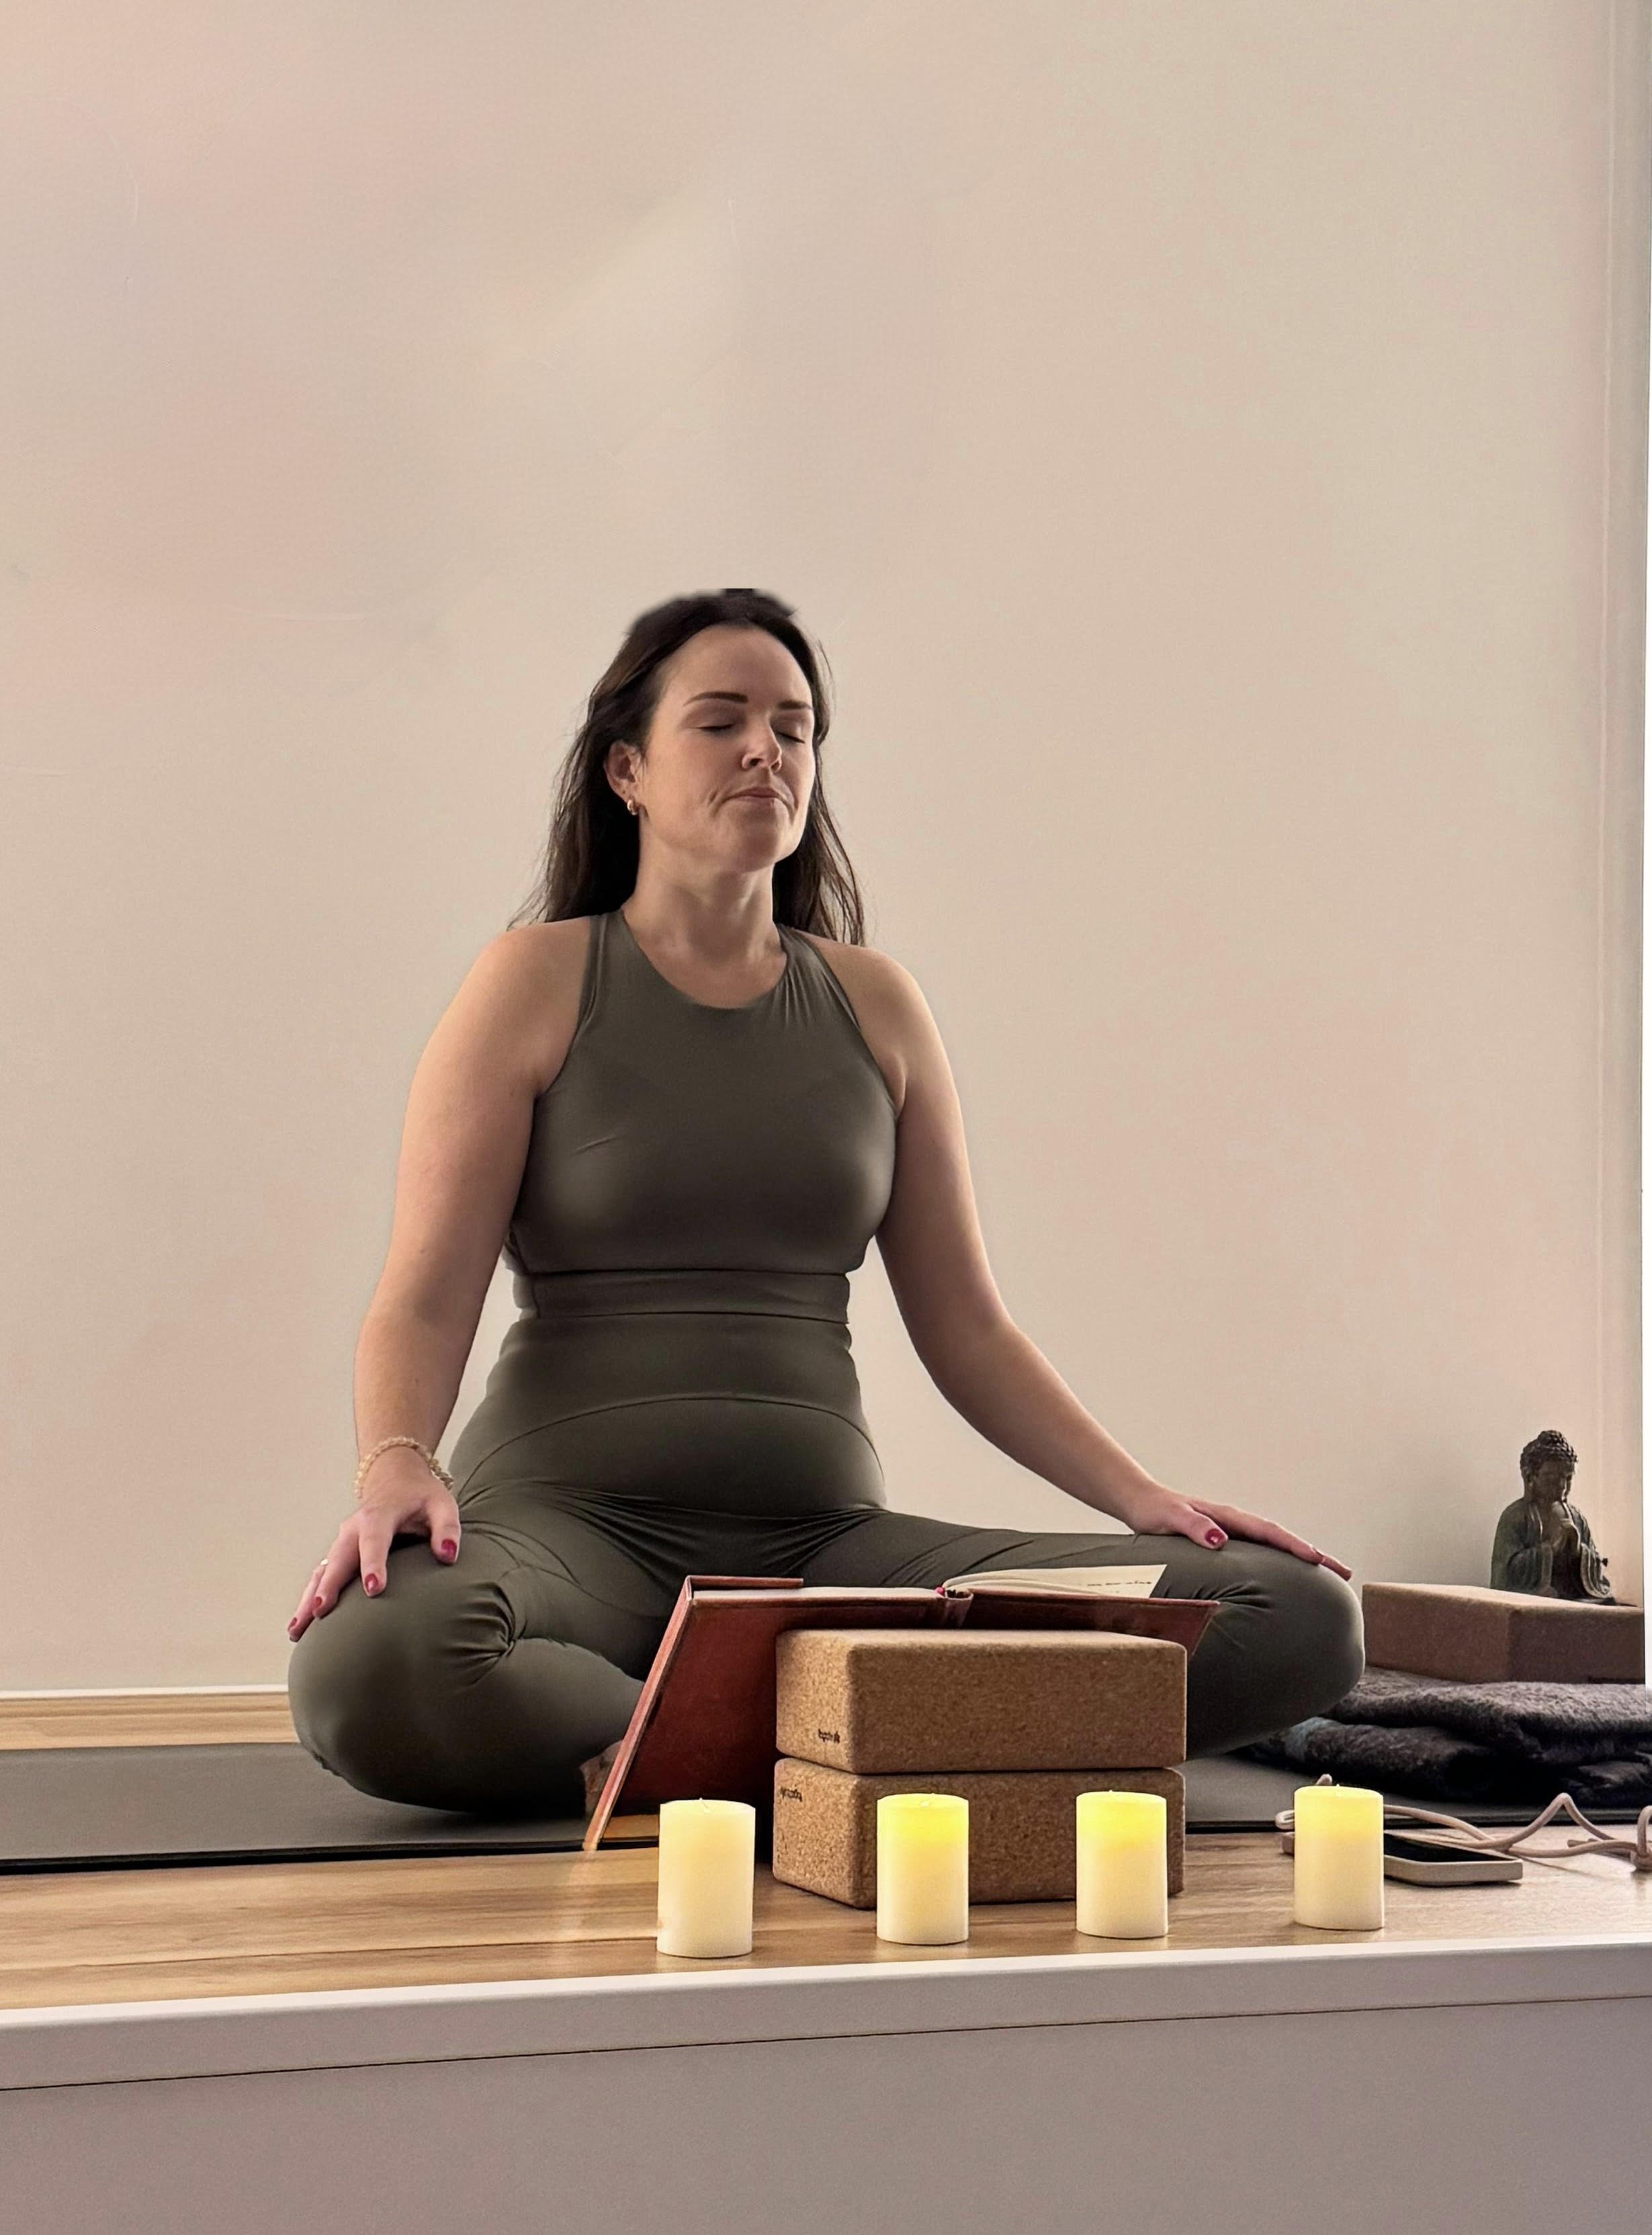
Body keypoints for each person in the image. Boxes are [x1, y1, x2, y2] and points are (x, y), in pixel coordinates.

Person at [286, 587, 1364, 1817]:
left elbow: (969, 1328)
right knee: (368, 1665)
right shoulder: (533, 980)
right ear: (628, 771)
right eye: (723, 721)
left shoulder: (878, 1006)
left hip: (820, 1553)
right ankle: (836, 1745)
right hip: (565, 1536)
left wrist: (1139, 1502)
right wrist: (393, 1467)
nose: (767, 750)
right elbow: (423, 1296)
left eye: (795, 728)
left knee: (1301, 1615)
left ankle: (680, 1740)